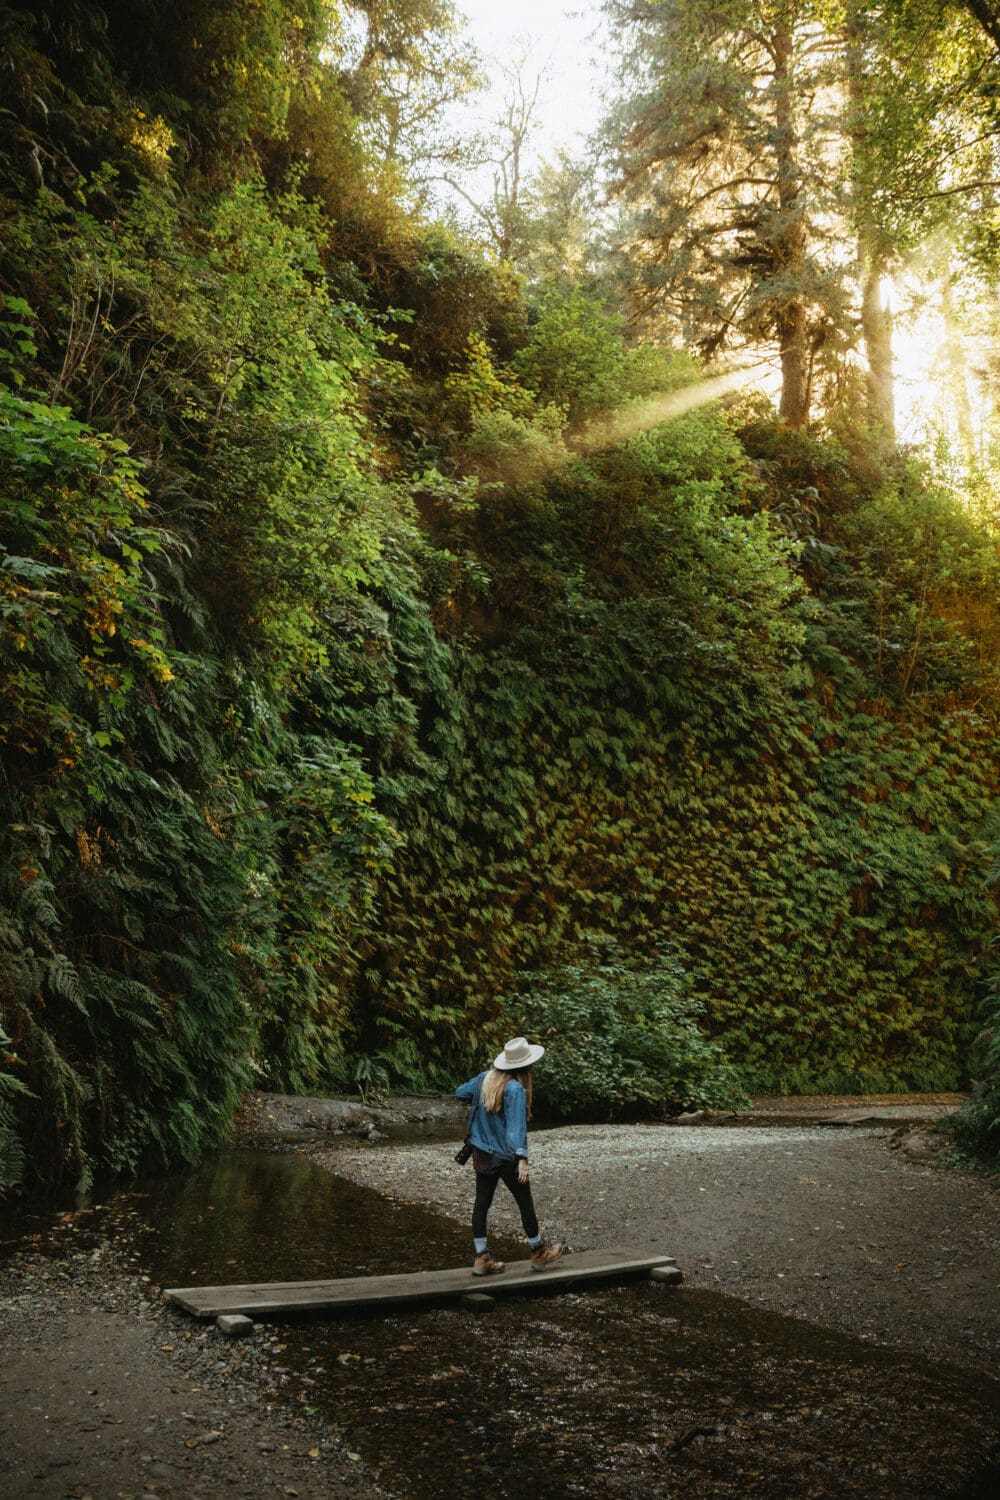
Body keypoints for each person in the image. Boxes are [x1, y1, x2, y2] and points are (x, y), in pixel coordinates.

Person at [455, 1035, 564, 1277]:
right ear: (526, 1066)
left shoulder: (484, 1079)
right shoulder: (515, 1089)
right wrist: (522, 1160)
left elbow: (459, 1092)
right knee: (524, 1202)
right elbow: (516, 1128)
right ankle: (538, 1254)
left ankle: (481, 1258)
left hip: (481, 1152)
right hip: (505, 1156)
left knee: (482, 1203)